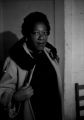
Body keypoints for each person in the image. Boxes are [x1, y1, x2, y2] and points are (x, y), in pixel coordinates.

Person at [0, 11, 62, 120]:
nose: (41, 37)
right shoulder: (14, 60)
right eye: (36, 32)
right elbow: (2, 91)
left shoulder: (50, 54)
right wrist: (15, 97)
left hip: (54, 113)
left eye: (45, 32)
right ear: (27, 35)